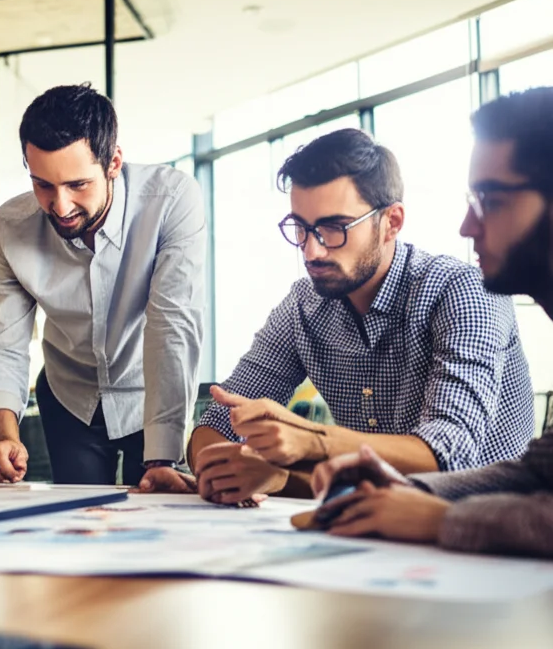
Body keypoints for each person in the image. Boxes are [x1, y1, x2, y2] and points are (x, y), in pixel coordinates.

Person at [189, 128, 533, 505]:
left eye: (335, 229)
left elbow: (448, 454)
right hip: (378, 521)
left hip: (492, 531)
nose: (312, 251)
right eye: (301, 229)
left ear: (392, 222)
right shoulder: (304, 306)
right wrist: (221, 470)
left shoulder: (461, 291)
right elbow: (216, 424)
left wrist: (310, 440)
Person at [311, 88, 553, 558]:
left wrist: (442, 518)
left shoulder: (456, 288)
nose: (467, 226)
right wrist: (414, 492)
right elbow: (538, 476)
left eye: (491, 200)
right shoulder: (306, 302)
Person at [0, 84, 206, 490]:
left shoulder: (171, 200)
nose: (60, 206)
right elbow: (3, 345)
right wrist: (2, 435)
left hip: (151, 393)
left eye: (78, 185)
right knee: (78, 527)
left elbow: (172, 326)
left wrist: (164, 456)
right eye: (43, 185)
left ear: (113, 161)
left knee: (156, 517)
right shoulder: (9, 228)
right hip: (69, 397)